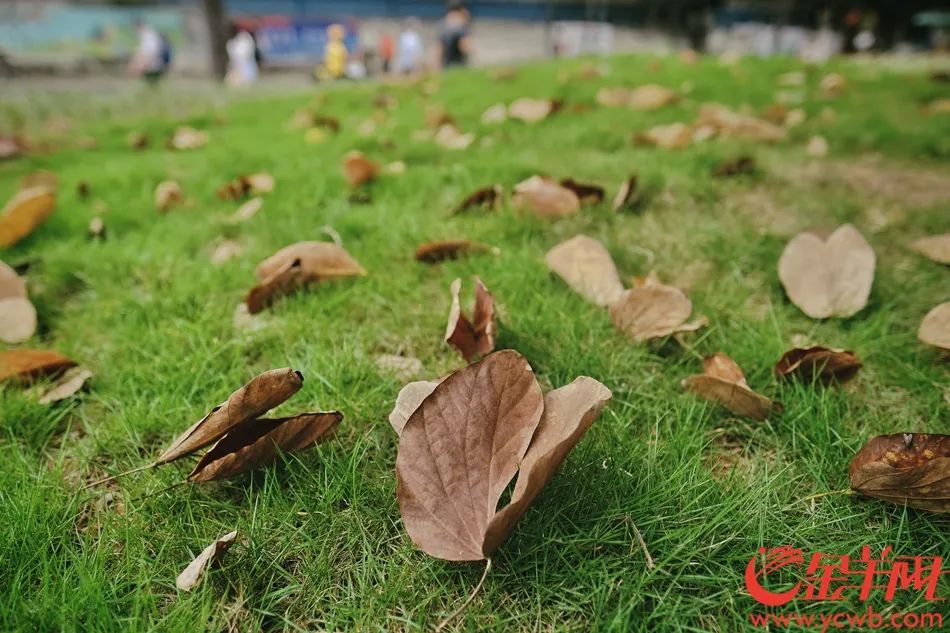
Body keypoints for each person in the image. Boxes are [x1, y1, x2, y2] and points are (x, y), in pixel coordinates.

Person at [439, 3, 471, 69]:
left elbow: (439, 49)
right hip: (458, 65)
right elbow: (465, 48)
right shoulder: (461, 29)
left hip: (447, 65)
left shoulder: (444, 28)